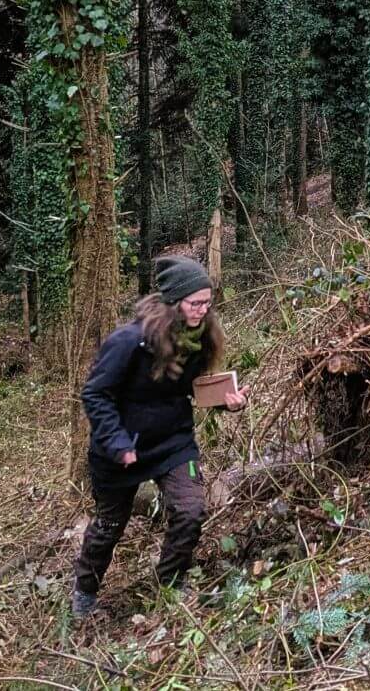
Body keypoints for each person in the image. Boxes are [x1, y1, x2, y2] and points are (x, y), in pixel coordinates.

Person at [71, 255, 242, 618]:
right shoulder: (129, 341)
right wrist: (117, 442)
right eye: (195, 303)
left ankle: (171, 583)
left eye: (208, 303)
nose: (203, 310)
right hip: (120, 451)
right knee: (108, 527)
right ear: (174, 301)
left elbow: (192, 389)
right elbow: (95, 394)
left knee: (191, 510)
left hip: (172, 442)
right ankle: (85, 593)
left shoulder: (201, 337)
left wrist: (228, 401)